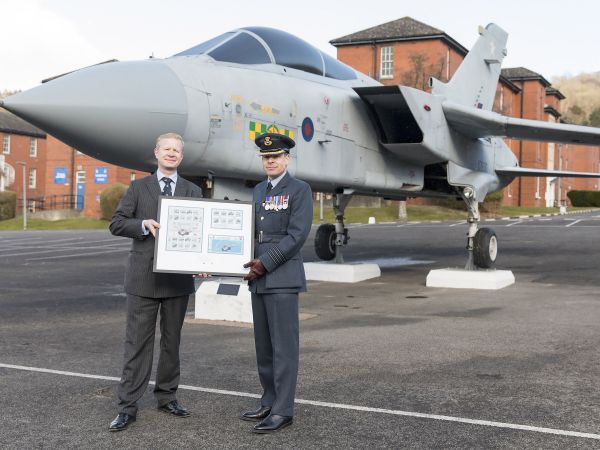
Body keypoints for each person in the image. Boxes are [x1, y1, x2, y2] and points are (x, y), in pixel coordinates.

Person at [108, 132, 203, 432]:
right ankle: (127, 406)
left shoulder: (193, 190)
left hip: (177, 280)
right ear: (157, 153)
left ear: (181, 156)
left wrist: (203, 262)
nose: (172, 153)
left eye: (177, 150)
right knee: (137, 344)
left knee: (172, 343)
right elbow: (117, 223)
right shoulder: (138, 187)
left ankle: (167, 396)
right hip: (143, 278)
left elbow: (201, 232)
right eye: (167, 149)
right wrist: (143, 225)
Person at [241, 132, 313, 434]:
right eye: (265, 157)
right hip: (257, 278)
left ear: (286, 158)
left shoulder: (299, 190)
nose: (270, 161)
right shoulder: (259, 190)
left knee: (284, 348)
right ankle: (269, 399)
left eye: (275, 156)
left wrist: (265, 262)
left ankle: (283, 410)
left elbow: (296, 236)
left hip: (281, 277)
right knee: (265, 347)